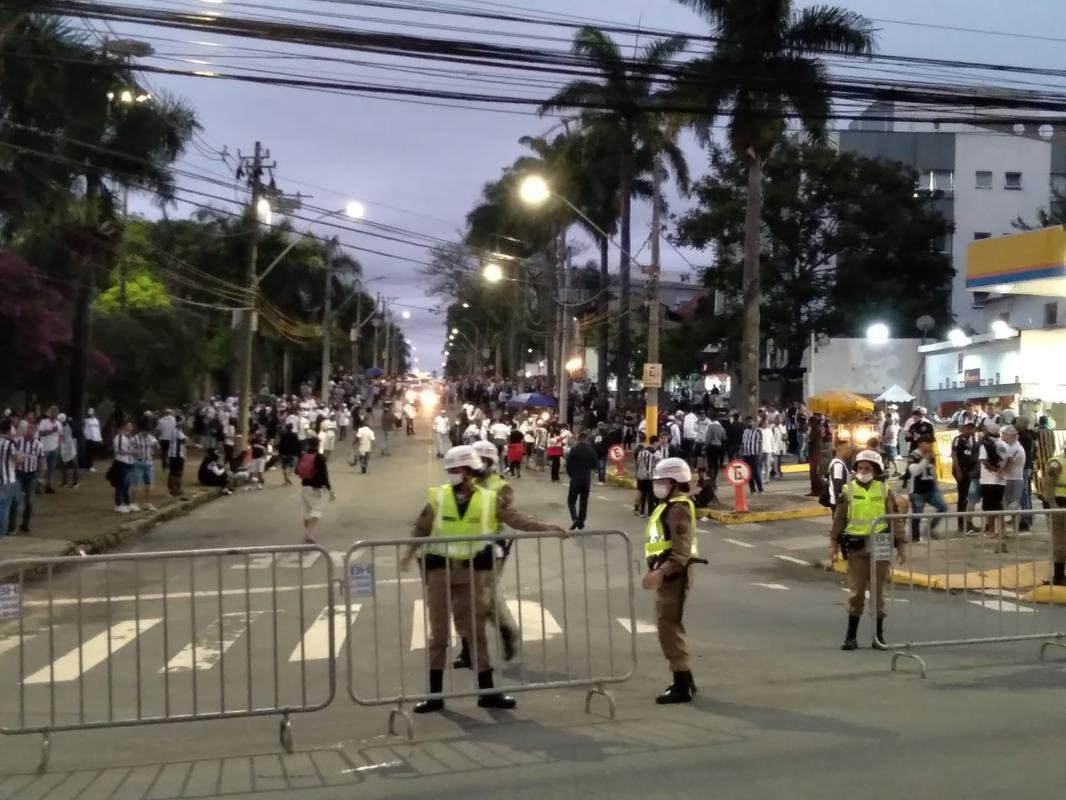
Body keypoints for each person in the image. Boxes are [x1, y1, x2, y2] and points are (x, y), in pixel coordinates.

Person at [399, 445, 563, 714]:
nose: (450, 474)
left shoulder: (488, 499)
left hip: (471, 572)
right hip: (440, 573)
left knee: (474, 631)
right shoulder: (439, 498)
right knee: (438, 634)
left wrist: (547, 527)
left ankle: (486, 692)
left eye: (454, 470)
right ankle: (434, 695)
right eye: (449, 470)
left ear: (468, 470)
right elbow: (422, 526)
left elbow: (515, 518)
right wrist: (408, 553)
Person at [830, 450, 907, 651]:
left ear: (876, 470)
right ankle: (850, 637)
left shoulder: (884, 490)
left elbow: (895, 520)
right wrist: (833, 545)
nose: (863, 471)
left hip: (880, 543)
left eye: (868, 468)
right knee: (856, 593)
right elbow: (839, 519)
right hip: (856, 546)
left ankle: (878, 637)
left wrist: (902, 546)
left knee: (878, 593)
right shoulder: (848, 490)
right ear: (855, 469)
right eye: (861, 468)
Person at [641, 457, 701, 704]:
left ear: (674, 481)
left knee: (669, 628)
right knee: (669, 624)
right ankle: (686, 681)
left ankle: (681, 684)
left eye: (662, 480)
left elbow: (681, 552)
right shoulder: (668, 505)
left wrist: (660, 572)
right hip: (670, 574)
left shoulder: (678, 508)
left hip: (675, 575)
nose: (658, 485)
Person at [905, 440, 947, 542]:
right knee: (917, 515)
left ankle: (930, 528)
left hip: (932, 490)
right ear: (920, 444)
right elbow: (915, 471)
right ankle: (915, 537)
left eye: (930, 444)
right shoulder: (913, 456)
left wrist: (936, 485)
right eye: (927, 443)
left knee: (943, 507)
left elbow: (932, 471)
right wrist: (925, 459)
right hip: (917, 491)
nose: (929, 445)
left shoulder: (931, 456)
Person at [298, 436, 334, 543]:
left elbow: (297, 470)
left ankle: (308, 533)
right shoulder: (319, 457)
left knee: (306, 511)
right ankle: (308, 533)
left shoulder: (303, 456)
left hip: (305, 487)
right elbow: (324, 474)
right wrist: (329, 488)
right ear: (318, 445)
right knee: (317, 511)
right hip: (316, 488)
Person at [977, 421, 1008, 541]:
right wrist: (1000, 470)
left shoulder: (985, 444)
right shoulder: (1003, 444)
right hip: (1001, 480)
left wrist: (993, 469)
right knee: (998, 505)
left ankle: (991, 530)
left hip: (988, 480)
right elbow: (1007, 459)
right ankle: (1002, 529)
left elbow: (984, 461)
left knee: (989, 507)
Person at [1041, 442, 1066, 586]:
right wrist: (1052, 505)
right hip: (1060, 505)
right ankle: (1059, 576)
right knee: (1060, 542)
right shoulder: (1057, 463)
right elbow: (1048, 485)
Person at [951, 422, 982, 533]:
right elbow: (954, 455)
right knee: (962, 498)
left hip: (971, 472)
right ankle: (961, 524)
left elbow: (977, 456)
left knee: (969, 498)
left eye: (972, 429)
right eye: (968, 428)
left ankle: (968, 522)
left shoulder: (974, 441)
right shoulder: (958, 439)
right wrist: (958, 471)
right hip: (961, 471)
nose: (970, 431)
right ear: (963, 429)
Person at [10, 422, 41, 534]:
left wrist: (41, 476)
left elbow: (40, 459)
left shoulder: (38, 445)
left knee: (29, 502)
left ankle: (25, 525)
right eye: (29, 428)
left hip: (32, 474)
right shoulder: (18, 442)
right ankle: (11, 526)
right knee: (16, 501)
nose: (30, 431)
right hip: (19, 473)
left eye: (33, 429)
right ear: (26, 429)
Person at [565, 431, 598, 531]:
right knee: (584, 501)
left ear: (578, 438)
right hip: (586, 479)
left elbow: (568, 464)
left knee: (571, 501)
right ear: (586, 439)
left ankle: (575, 518)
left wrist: (571, 474)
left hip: (575, 478)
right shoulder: (591, 450)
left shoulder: (573, 449)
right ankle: (581, 521)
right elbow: (594, 465)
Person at [0, 419, 24, 536]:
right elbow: (18, 460)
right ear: (9, 429)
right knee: (4, 507)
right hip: (7, 481)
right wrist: (22, 456)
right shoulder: (10, 443)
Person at [131, 420, 158, 512]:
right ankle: (134, 502)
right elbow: (130, 449)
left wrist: (155, 447)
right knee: (137, 484)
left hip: (149, 462)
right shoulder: (135, 438)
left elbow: (157, 446)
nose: (146, 433)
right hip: (138, 462)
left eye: (148, 431)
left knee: (149, 484)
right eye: (145, 431)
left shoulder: (151, 438)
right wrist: (134, 453)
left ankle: (147, 502)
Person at [634, 433, 661, 517]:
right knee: (651, 495)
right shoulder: (656, 452)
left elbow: (638, 462)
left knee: (643, 493)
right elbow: (659, 463)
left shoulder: (642, 451)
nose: (658, 444)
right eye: (658, 442)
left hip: (641, 475)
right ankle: (650, 512)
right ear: (655, 442)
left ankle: (642, 511)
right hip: (650, 476)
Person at [37, 406, 60, 494]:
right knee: (42, 469)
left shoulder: (58, 423)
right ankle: (38, 486)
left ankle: (48, 486)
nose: (54, 414)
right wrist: (51, 431)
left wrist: (59, 445)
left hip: (54, 448)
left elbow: (60, 435)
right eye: (53, 412)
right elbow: (41, 433)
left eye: (56, 412)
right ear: (50, 414)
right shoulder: (43, 422)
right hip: (45, 448)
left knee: (51, 469)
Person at [824, 439, 852, 512]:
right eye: (847, 448)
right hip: (838, 503)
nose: (849, 450)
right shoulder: (838, 465)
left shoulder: (838, 463)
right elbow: (838, 485)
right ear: (840, 448)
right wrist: (841, 503)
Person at [166, 418, 189, 500]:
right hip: (176, 455)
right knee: (176, 473)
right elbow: (184, 440)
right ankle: (175, 489)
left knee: (175, 473)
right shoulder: (177, 431)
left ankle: (175, 489)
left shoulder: (174, 430)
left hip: (175, 455)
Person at [740, 416, 764, 494]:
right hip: (746, 454)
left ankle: (760, 489)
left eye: (750, 421)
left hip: (754, 454)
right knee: (748, 472)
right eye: (747, 422)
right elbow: (743, 443)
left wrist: (760, 453)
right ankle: (752, 489)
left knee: (756, 472)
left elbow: (760, 443)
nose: (749, 423)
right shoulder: (745, 431)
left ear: (753, 422)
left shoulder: (758, 431)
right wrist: (742, 453)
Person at [58, 413, 79, 489]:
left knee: (73, 464)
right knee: (67, 464)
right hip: (66, 445)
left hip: (70, 445)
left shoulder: (68, 425)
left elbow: (75, 431)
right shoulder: (65, 425)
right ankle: (66, 482)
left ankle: (73, 482)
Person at [82, 408, 103, 472]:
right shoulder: (85, 420)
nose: (90, 415)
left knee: (92, 452)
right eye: (89, 414)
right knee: (89, 452)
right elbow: (83, 428)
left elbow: (98, 429)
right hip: (89, 438)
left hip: (95, 438)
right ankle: (89, 466)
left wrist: (100, 438)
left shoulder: (96, 420)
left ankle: (89, 465)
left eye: (91, 413)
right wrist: (86, 436)